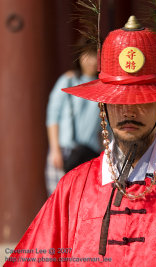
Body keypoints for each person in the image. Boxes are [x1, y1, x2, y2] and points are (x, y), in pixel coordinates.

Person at [5, 16, 156, 266]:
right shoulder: (73, 188)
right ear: (104, 105)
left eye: (142, 99)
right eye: (118, 99)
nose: (129, 111)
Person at [45, 38, 101, 195]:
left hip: (90, 153)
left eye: (96, 56)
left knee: (84, 200)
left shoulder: (102, 87)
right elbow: (52, 116)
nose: (92, 61)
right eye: (88, 55)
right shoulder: (68, 80)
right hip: (64, 150)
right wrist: (55, 149)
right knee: (59, 199)